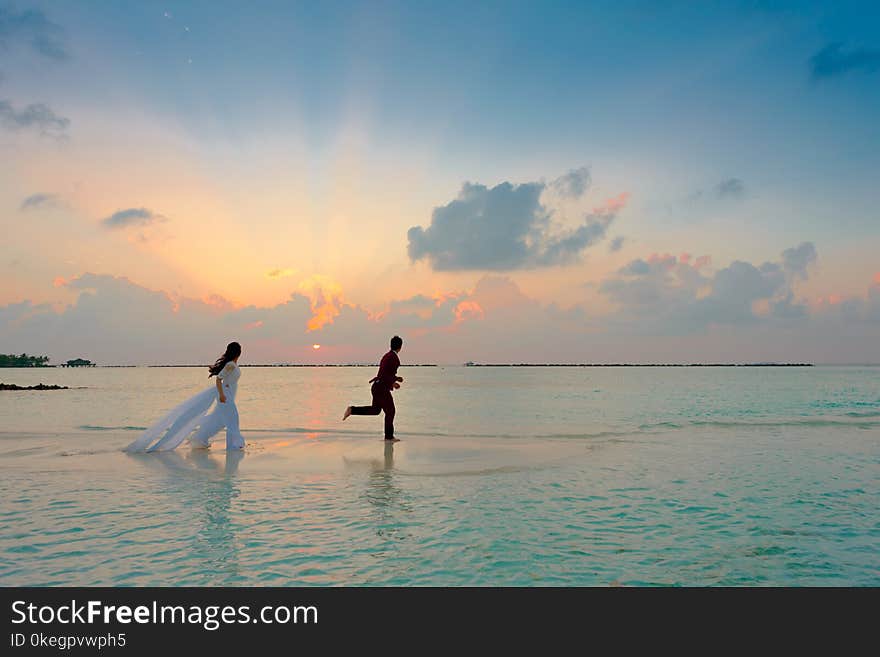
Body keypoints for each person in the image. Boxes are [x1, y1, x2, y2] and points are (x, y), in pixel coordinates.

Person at [125, 342, 246, 452]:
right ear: (238, 352)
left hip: (227, 395)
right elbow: (219, 379)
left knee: (218, 421)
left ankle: (199, 439)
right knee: (233, 419)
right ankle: (234, 445)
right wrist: (221, 395)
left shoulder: (233, 364)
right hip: (225, 397)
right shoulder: (230, 365)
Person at [343, 336, 404, 440]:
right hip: (381, 389)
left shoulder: (387, 356)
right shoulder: (393, 358)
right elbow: (385, 374)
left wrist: (395, 379)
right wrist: (393, 382)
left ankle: (352, 410)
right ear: (400, 347)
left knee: (375, 410)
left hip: (377, 387)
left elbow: (384, 373)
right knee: (390, 411)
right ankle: (389, 436)